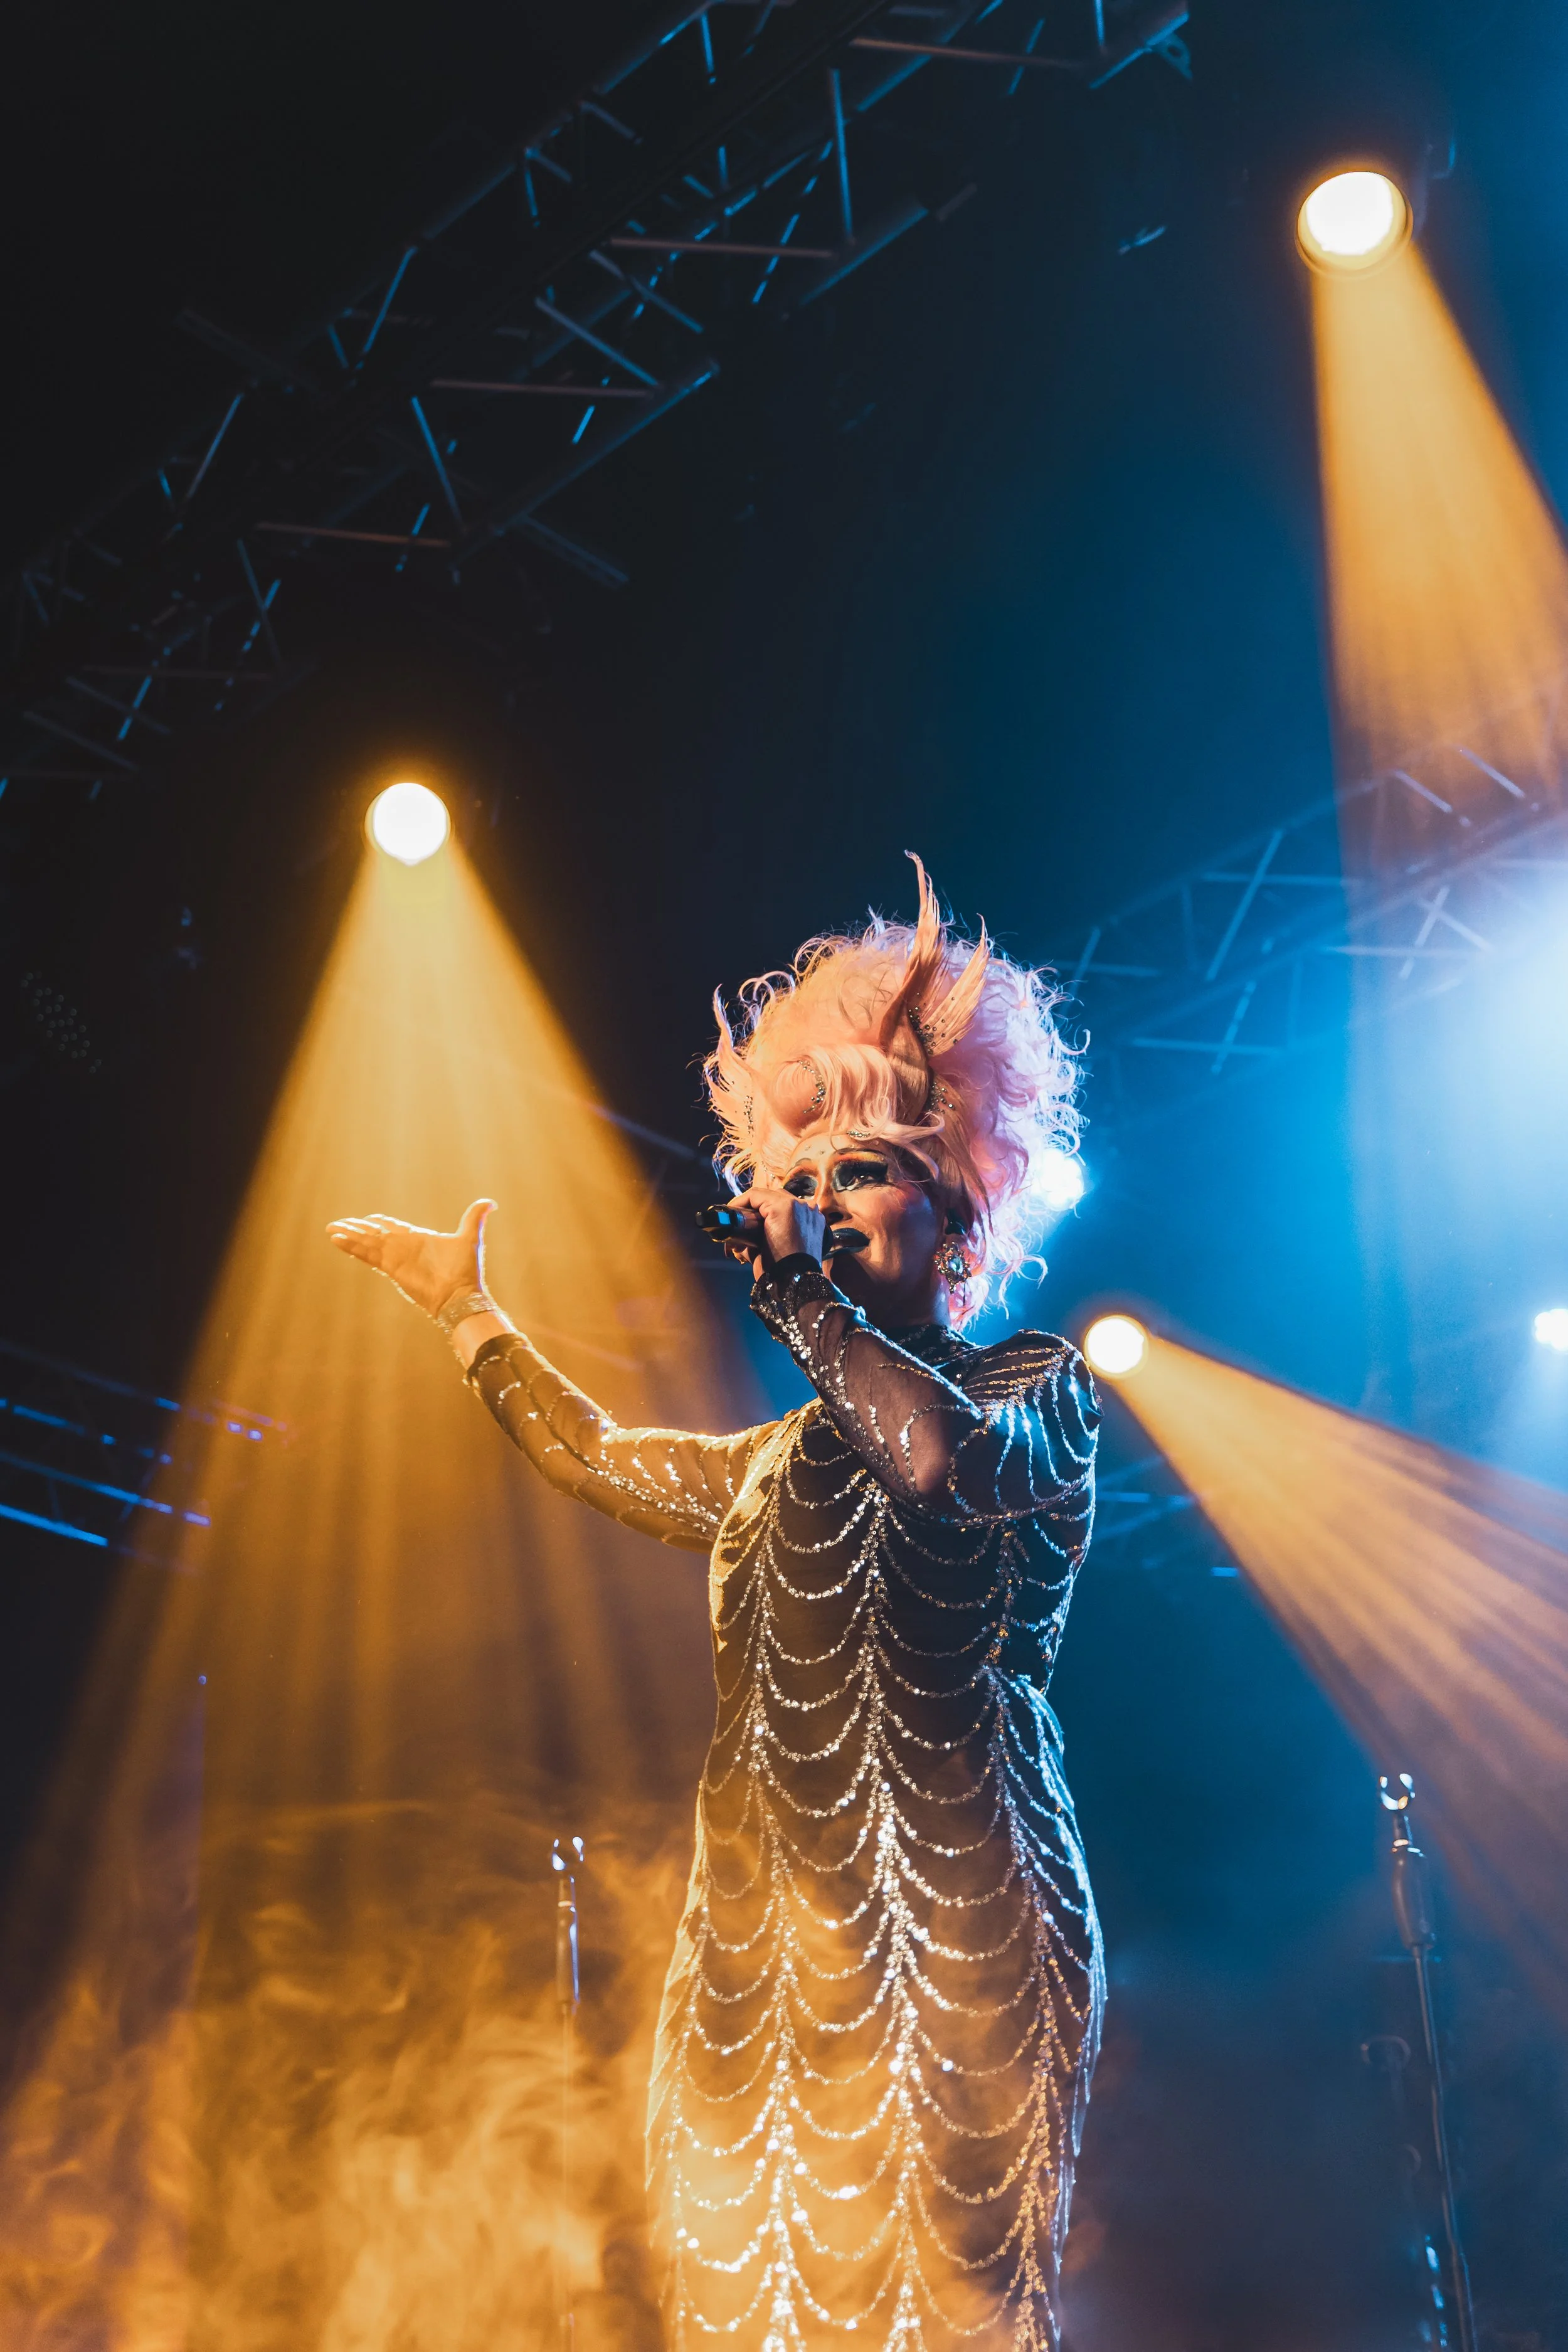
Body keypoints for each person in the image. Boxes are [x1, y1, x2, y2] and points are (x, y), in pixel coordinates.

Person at [327, 859, 1103, 2352]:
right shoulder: (775, 1457)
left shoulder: (1035, 1391)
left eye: (860, 1174)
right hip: (760, 1930)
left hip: (957, 1914)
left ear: (956, 1208)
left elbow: (935, 1464)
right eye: (795, 1185)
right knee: (747, 2286)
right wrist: (469, 1317)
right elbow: (597, 1459)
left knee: (935, 2298)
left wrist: (797, 1300)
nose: (817, 1207)